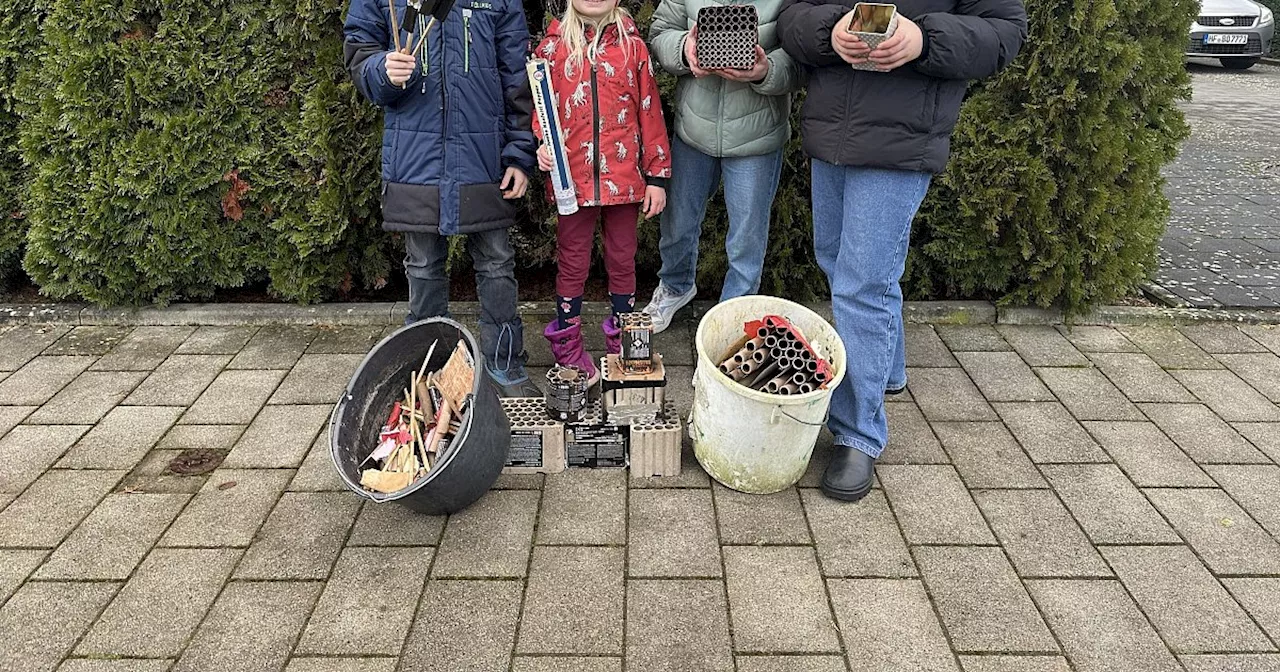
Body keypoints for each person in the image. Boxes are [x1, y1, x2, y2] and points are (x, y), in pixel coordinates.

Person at [779, 0, 1026, 501]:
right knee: (845, 267)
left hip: (901, 140)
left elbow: (1004, 33)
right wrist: (831, 32)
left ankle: (858, 434)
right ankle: (886, 374)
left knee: (860, 283)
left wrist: (924, 40)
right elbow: (791, 15)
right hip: (832, 135)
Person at [343, 0, 542, 397]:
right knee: (422, 265)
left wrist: (520, 155)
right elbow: (360, 54)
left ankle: (504, 365)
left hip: (483, 160)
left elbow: (518, 79)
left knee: (497, 262)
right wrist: (381, 70)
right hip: (417, 164)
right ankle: (431, 371)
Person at [532, 0, 672, 385]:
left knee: (622, 260)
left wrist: (657, 177)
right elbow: (541, 108)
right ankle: (569, 347)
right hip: (572, 183)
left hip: (624, 181)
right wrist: (543, 145)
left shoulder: (633, 47)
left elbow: (650, 111)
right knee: (572, 262)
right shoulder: (552, 48)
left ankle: (623, 344)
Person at [642, 0, 801, 334]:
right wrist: (685, 50)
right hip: (693, 129)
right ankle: (675, 287)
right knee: (678, 222)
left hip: (757, 136)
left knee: (746, 237)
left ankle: (733, 314)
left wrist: (765, 70)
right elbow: (659, 32)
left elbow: (801, 55)